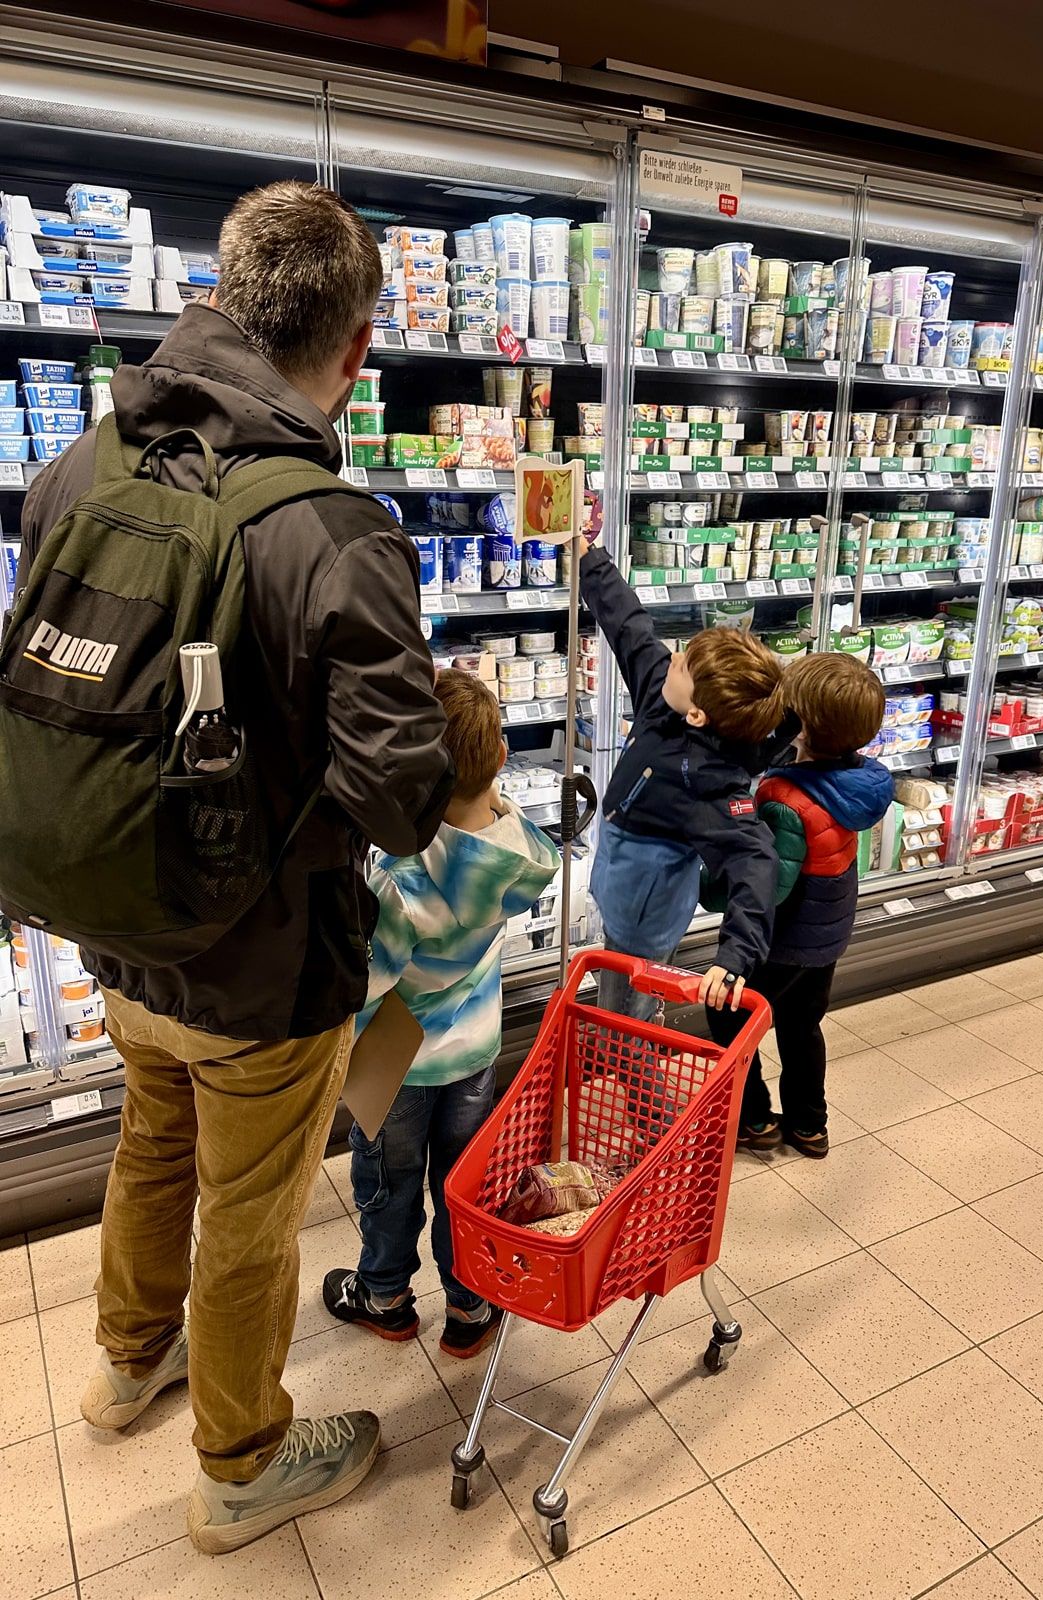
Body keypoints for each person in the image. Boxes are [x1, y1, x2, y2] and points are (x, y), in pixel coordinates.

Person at [20, 181, 454, 1554]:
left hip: (116, 918)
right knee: (251, 1211)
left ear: (215, 299)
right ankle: (243, 1462)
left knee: (149, 1143)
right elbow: (398, 804)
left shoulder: (77, 468)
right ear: (357, 350)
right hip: (263, 962)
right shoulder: (333, 531)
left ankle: (120, 1363)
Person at [323, 669, 559, 1354]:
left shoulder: (400, 875)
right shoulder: (522, 851)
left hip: (399, 1065)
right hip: (475, 1048)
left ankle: (386, 1295)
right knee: (466, 1183)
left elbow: (368, 982)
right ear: (502, 761)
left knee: (391, 1185)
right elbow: (492, 808)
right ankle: (470, 1305)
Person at [578, 539, 784, 1021]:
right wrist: (588, 555)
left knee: (634, 1016)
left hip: (647, 913)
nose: (672, 657)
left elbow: (756, 861)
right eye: (684, 651)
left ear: (697, 714)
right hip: (622, 883)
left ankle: (635, 1075)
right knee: (618, 998)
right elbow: (631, 628)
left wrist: (735, 958)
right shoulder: (663, 696)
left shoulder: (710, 781)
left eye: (684, 664)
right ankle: (621, 1056)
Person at [707, 651, 892, 1158]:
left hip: (784, 941)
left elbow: (769, 886)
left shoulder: (785, 800)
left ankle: (755, 1118)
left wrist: (711, 886)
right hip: (826, 937)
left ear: (802, 726)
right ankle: (810, 1125)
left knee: (728, 1020)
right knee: (801, 1026)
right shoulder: (860, 781)